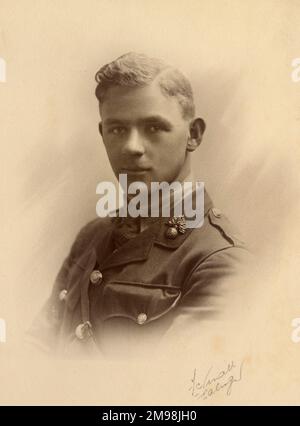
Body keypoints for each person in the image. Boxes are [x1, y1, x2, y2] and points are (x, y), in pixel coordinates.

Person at [28, 52, 249, 358]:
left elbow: (172, 390)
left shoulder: (219, 260)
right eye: (117, 129)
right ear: (102, 133)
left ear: (193, 134)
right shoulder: (90, 237)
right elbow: (35, 348)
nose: (131, 147)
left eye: (154, 128)